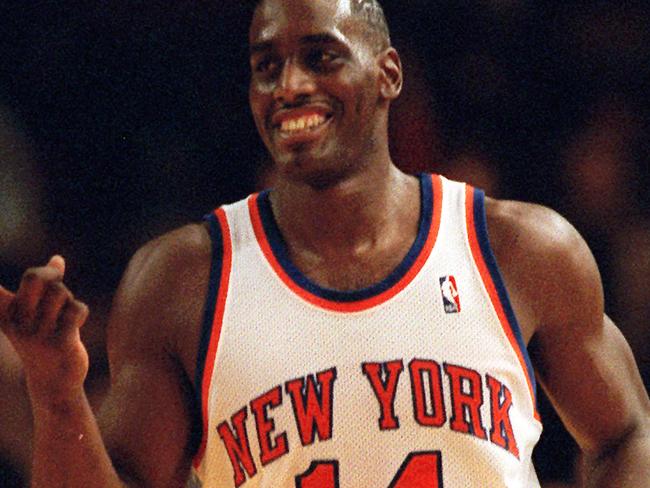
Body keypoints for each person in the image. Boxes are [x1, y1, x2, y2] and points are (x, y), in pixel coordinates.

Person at [1, 0, 649, 486]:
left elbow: (628, 434)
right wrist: (56, 394)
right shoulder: (183, 280)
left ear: (388, 74)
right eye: (267, 66)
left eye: (321, 56)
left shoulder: (518, 248)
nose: (289, 85)